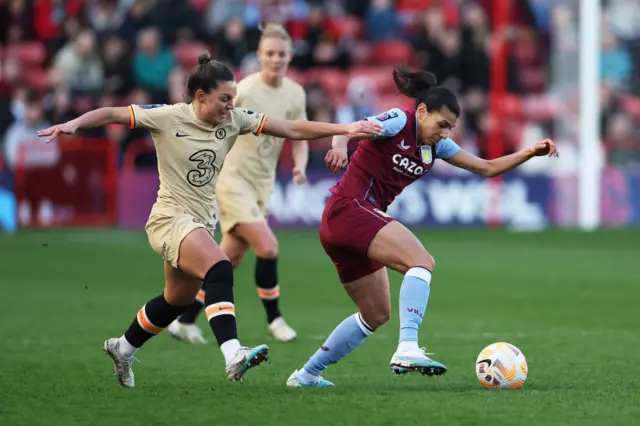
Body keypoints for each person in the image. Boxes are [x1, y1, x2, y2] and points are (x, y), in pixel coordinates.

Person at [36, 52, 382, 388]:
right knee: (219, 266)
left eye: (233, 98)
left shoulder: (234, 120)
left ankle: (122, 348)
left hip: (201, 222)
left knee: (177, 300)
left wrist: (346, 128)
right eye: (224, 99)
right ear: (200, 96)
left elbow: (290, 128)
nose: (231, 106)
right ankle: (233, 354)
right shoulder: (167, 117)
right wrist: (74, 123)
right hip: (169, 218)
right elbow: (113, 113)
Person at [286, 68, 558, 387]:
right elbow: (352, 128)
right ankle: (408, 347)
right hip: (348, 209)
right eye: (442, 125)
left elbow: (486, 168)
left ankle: (306, 375)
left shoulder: (437, 147)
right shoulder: (400, 122)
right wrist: (339, 145)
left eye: (451, 128)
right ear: (423, 111)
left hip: (349, 224)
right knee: (422, 261)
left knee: (375, 314)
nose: (445, 133)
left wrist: (529, 152)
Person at [167, 24, 308, 344]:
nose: (276, 59)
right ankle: (275, 320)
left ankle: (183, 320)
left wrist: (299, 166)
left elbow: (297, 134)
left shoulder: (295, 93)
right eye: (269, 53)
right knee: (268, 247)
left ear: (290, 56)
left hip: (262, 184)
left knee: (227, 259)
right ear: (259, 55)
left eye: (282, 54)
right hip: (232, 180)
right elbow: (209, 117)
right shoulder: (243, 89)